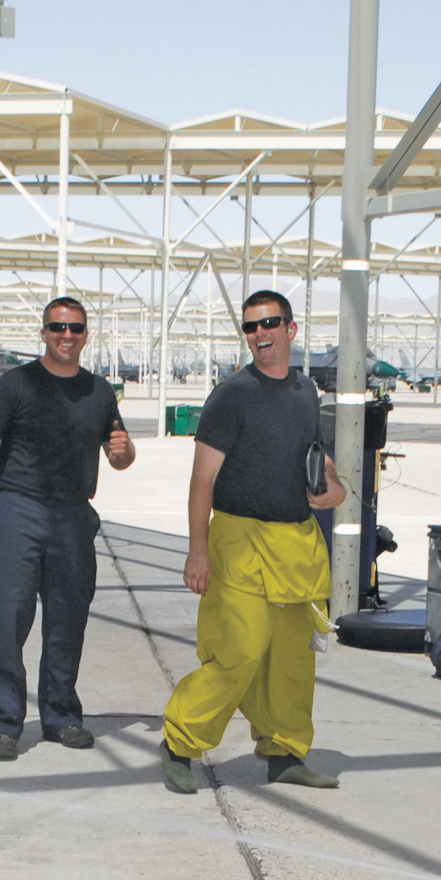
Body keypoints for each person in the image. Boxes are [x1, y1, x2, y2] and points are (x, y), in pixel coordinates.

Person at [159, 290, 346, 795]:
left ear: (292, 329)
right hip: (239, 542)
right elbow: (203, 480)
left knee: (291, 658)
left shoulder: (307, 392)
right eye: (250, 327)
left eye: (269, 323)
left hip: (296, 544)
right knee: (236, 653)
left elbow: (317, 459)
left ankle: (284, 752)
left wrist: (335, 487)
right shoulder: (232, 395)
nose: (260, 334)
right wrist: (198, 551)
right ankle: (179, 742)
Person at [0, 297, 135, 761]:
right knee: (7, 617)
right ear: (44, 333)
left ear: (86, 335)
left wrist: (124, 452)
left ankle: (61, 716)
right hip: (20, 511)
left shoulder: (100, 392)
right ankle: (5, 723)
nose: (66, 336)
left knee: (68, 620)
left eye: (75, 329)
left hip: (73, 514)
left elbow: (119, 458)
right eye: (57, 328)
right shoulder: (16, 386)